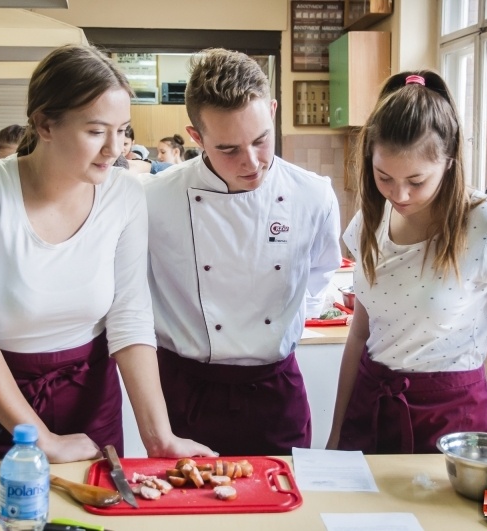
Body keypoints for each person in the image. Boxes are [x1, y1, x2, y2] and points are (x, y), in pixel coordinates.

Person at [0, 44, 213, 463]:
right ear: (44, 124)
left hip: (89, 398)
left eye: (122, 130)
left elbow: (130, 315)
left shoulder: (123, 196)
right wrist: (43, 440)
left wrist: (160, 436)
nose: (115, 148)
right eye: (96, 131)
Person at [326, 71, 487, 454]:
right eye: (384, 177)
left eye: (416, 181)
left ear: (449, 161)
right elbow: (361, 334)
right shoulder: (371, 217)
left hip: (450, 416)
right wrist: (336, 431)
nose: (399, 194)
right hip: (371, 404)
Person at [142, 48, 342, 455]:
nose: (252, 162)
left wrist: (292, 317)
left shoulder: (312, 194)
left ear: (271, 111)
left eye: (261, 140)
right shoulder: (153, 199)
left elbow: (323, 271)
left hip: (275, 392)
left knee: (284, 513)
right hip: (184, 391)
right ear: (196, 138)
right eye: (229, 149)